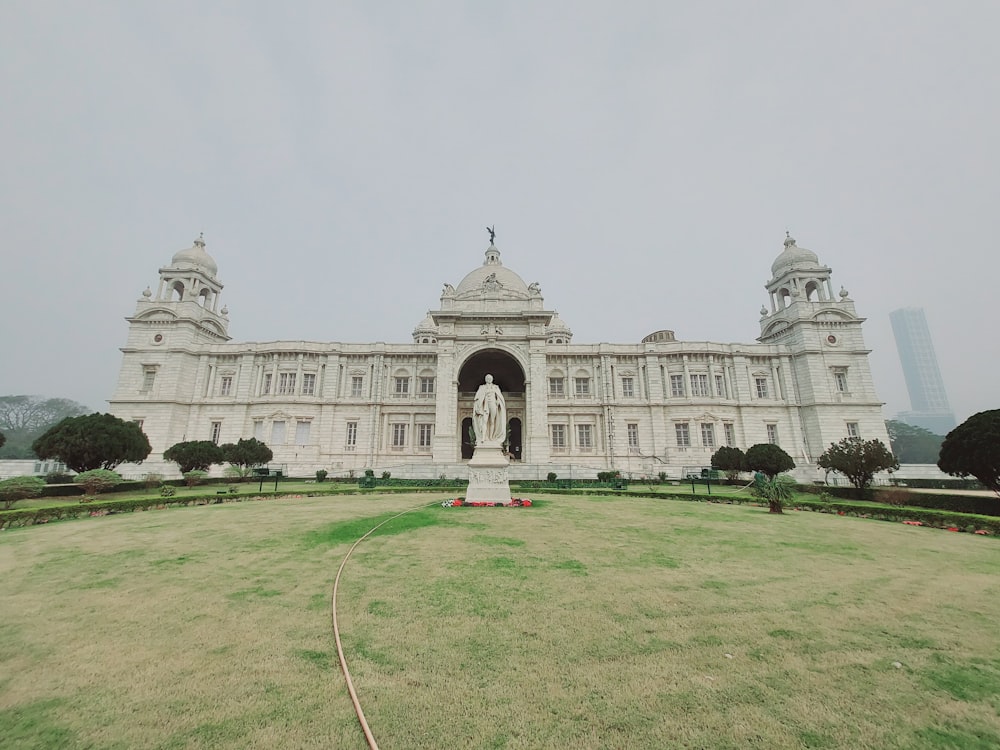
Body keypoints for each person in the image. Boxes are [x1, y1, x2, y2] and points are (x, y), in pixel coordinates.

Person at [472, 374, 506, 445]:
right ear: (485, 379)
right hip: (485, 405)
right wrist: (478, 406)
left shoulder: (496, 387)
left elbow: (499, 397)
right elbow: (477, 397)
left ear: (492, 379)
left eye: (490, 378)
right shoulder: (482, 387)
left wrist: (498, 401)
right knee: (484, 420)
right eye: (487, 378)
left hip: (493, 405)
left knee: (492, 421)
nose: (489, 379)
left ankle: (491, 437)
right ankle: (483, 437)